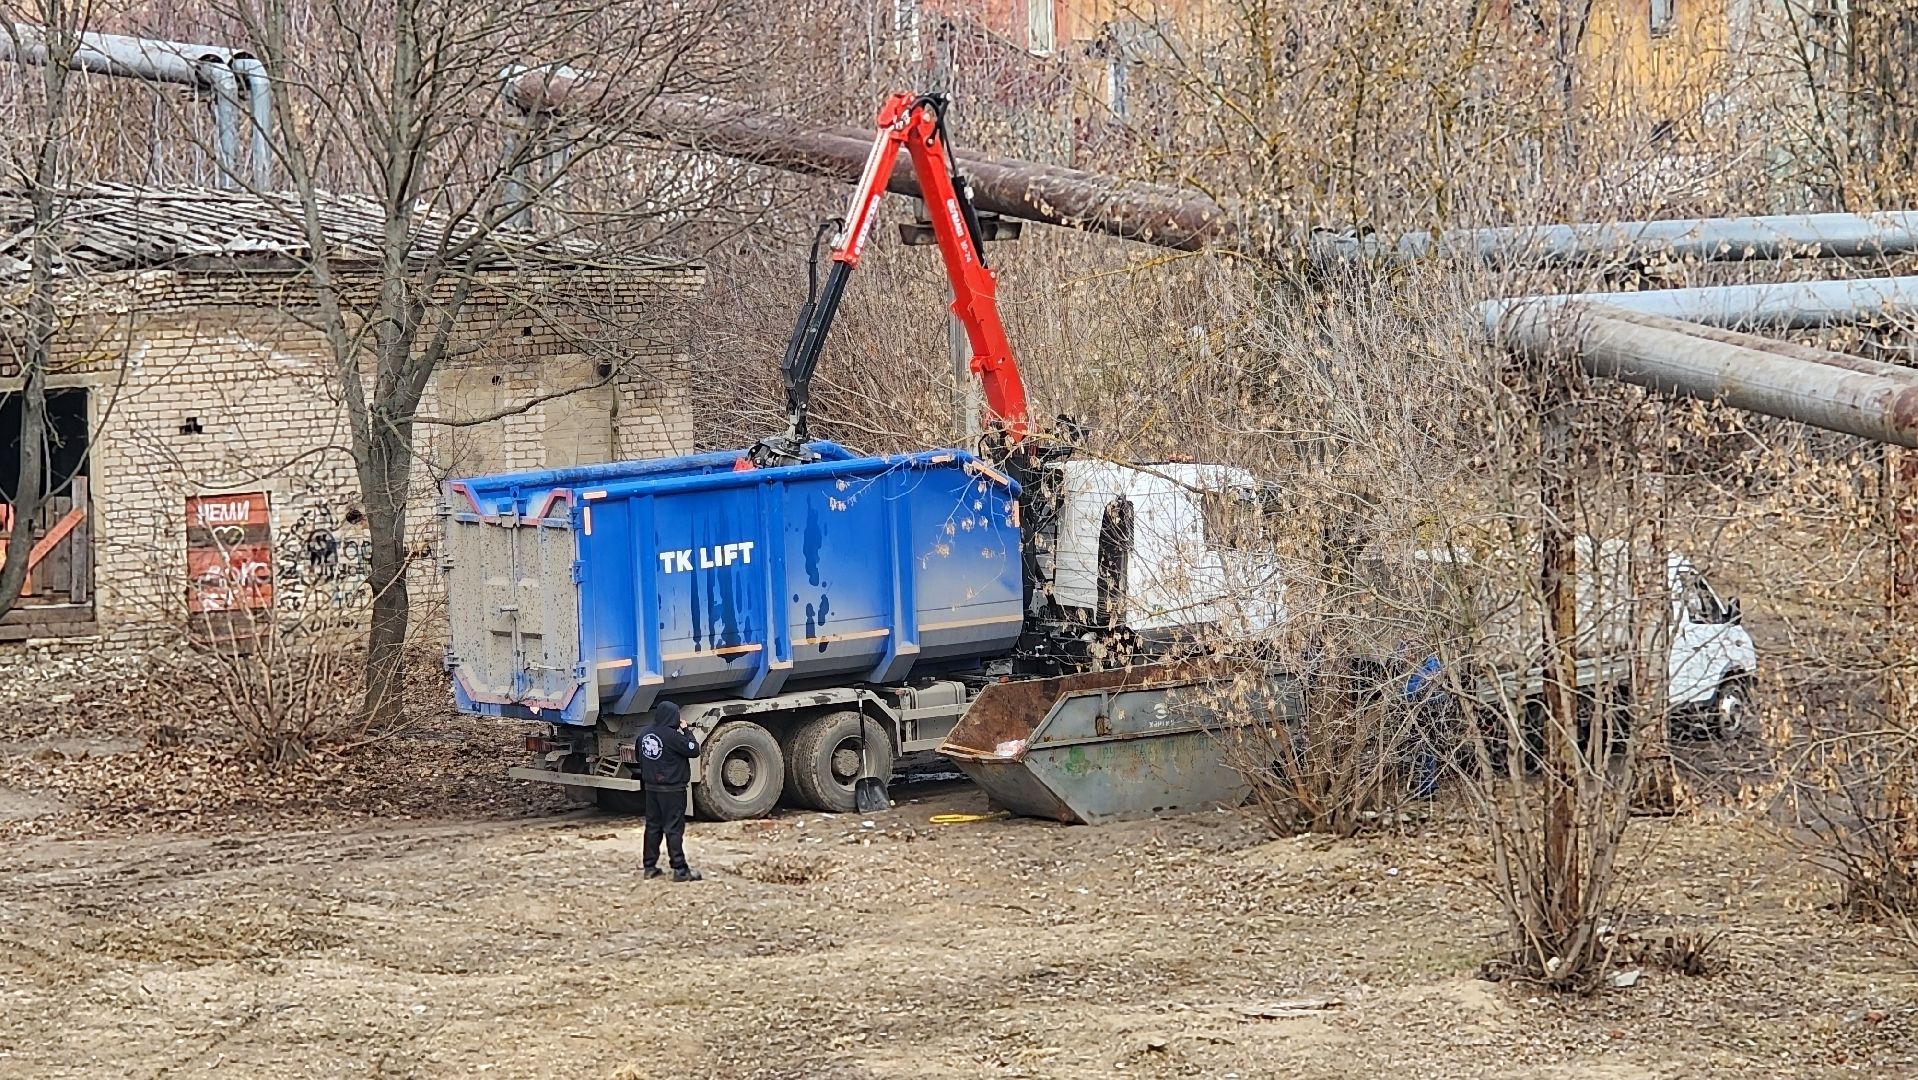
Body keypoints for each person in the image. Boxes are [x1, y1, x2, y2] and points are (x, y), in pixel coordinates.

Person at [637, 699, 702, 882]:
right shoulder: (673, 736)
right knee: (673, 828)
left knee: (653, 827)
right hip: (672, 789)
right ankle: (680, 869)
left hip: (651, 788)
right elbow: (693, 749)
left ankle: (649, 866)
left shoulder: (644, 734)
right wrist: (686, 730)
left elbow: (638, 757)